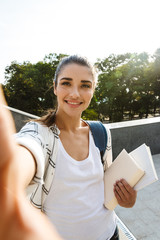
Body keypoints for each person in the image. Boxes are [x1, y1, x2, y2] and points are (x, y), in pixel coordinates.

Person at [0, 55, 137, 240]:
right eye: (66, 83)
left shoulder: (101, 132)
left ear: (93, 90)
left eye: (85, 85)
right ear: (55, 87)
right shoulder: (39, 133)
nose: (75, 93)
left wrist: (125, 199)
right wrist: (9, 175)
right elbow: (26, 151)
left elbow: (105, 188)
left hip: (110, 234)